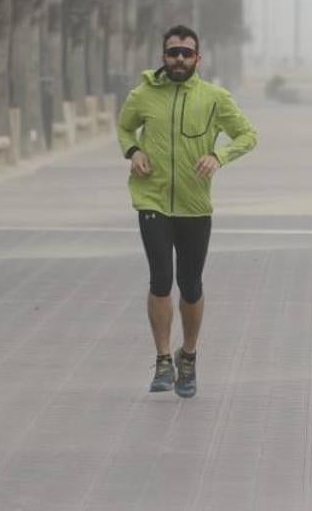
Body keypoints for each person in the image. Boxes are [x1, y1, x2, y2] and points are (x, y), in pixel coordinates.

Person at [117, 24, 257, 396]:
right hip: (153, 199)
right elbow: (124, 129)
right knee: (161, 278)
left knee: (190, 285)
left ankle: (189, 357)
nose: (179, 59)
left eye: (186, 53)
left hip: (195, 205)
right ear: (163, 55)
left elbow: (247, 135)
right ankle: (163, 360)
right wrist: (134, 152)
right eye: (172, 52)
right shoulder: (142, 95)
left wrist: (218, 155)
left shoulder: (214, 98)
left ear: (198, 58)